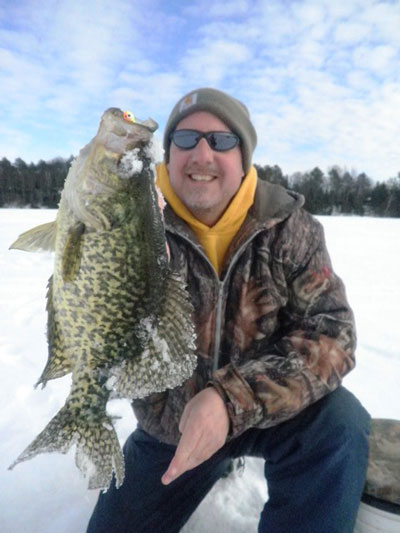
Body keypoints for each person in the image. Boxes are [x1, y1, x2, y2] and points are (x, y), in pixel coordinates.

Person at [87, 88, 370, 533]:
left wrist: (228, 400)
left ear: (243, 157)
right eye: (185, 139)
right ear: (168, 153)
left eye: (220, 141)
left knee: (341, 423)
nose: (202, 153)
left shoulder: (288, 226)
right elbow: (108, 338)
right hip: (173, 426)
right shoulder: (133, 220)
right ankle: (210, 463)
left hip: (274, 411)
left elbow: (334, 334)